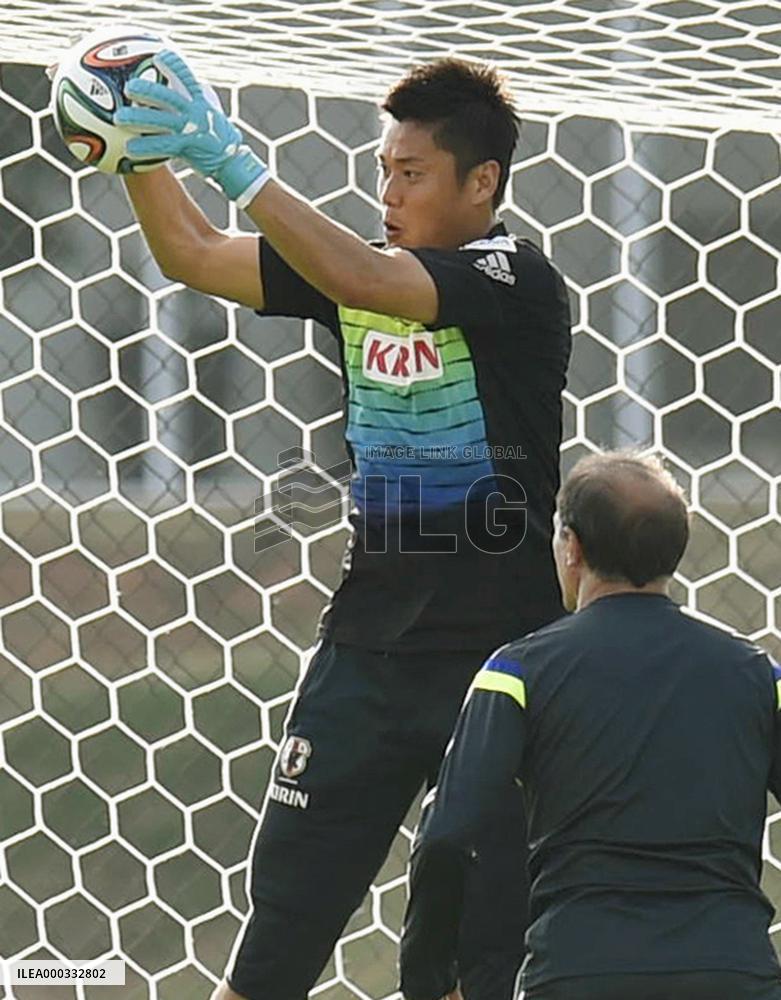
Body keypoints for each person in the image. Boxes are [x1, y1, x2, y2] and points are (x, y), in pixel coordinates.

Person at [112, 50, 571, 1000]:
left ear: (482, 181)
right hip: (362, 654)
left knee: (457, 968)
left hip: (494, 669)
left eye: (411, 173)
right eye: (382, 170)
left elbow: (371, 278)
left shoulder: (513, 277)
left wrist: (235, 161)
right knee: (274, 943)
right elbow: (192, 255)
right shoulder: (354, 270)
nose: (389, 191)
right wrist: (133, 148)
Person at [400, 450, 781, 1000]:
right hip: (732, 972)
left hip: (579, 973)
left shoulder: (516, 672)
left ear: (572, 547)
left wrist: (428, 981)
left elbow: (447, 836)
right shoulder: (757, 674)